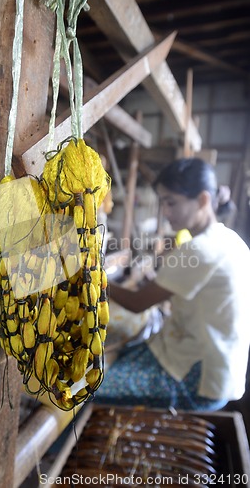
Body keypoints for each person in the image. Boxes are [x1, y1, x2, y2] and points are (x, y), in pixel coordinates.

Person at [96, 157, 250, 411]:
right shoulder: (230, 240)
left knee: (85, 388)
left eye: (172, 203)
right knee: (118, 355)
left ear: (202, 200)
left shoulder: (200, 249)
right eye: (163, 203)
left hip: (196, 377)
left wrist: (94, 278)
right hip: (216, 366)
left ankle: (61, 449)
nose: (165, 212)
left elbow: (136, 304)